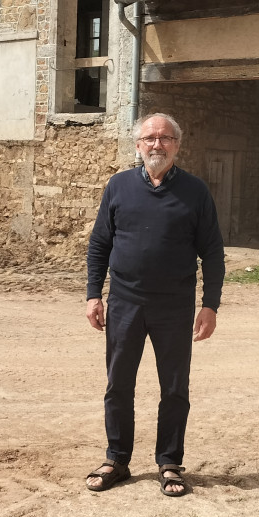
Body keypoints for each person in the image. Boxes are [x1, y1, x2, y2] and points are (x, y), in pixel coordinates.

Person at [84, 112, 225, 497]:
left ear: (177, 146)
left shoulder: (195, 192)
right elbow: (100, 245)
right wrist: (93, 294)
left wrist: (209, 304)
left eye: (165, 138)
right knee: (118, 385)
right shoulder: (118, 187)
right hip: (125, 303)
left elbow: (212, 253)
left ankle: (169, 462)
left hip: (175, 307)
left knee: (175, 388)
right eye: (149, 138)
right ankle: (117, 459)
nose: (157, 145)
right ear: (138, 145)